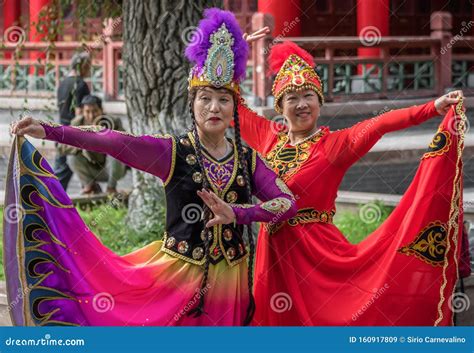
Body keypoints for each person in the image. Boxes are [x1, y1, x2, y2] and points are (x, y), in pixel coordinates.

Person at [5, 9, 297, 326]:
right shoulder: (171, 151)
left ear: (234, 107)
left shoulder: (247, 158)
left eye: (223, 100)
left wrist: (239, 213)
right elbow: (111, 140)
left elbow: (287, 203)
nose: (214, 107)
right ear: (192, 103)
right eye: (205, 98)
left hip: (233, 282)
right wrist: (50, 130)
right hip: (179, 281)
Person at [235, 40, 467, 325]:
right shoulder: (269, 137)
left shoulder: (334, 145)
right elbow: (235, 107)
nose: (301, 104)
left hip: (316, 254)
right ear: (280, 106)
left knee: (329, 320)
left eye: (308, 96)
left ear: (320, 102)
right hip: (272, 251)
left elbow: (381, 123)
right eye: (292, 98)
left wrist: (432, 107)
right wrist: (233, 53)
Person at [60, 95, 127, 195]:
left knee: (117, 154)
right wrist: (80, 144)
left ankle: (111, 188)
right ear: (82, 111)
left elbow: (125, 144)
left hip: (112, 170)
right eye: (87, 112)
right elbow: (61, 148)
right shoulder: (77, 123)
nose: (91, 116)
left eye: (95, 111)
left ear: (101, 110)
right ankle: (89, 186)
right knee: (71, 158)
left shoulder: (113, 121)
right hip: (91, 169)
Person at [55, 51, 91, 190]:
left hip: (61, 129)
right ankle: (52, 201)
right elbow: (80, 112)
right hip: (73, 131)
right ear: (82, 66)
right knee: (66, 169)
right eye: (88, 66)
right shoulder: (80, 84)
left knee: (62, 167)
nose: (90, 69)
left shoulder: (63, 83)